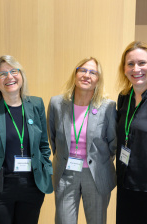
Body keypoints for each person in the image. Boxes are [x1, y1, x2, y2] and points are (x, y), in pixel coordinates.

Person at [0, 55, 53, 224]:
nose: (9, 77)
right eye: (2, 74)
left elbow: (44, 144)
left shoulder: (36, 105)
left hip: (32, 185)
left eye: (14, 71)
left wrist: (47, 170)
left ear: (21, 75)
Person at [47, 57, 117, 224]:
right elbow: (52, 138)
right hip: (65, 173)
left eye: (93, 72)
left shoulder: (107, 106)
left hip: (96, 175)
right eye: (83, 70)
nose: (87, 75)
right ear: (75, 73)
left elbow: (113, 143)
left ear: (98, 79)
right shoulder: (57, 103)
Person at [116, 41, 147, 224]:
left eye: (142, 63)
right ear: (124, 69)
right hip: (125, 182)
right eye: (130, 64)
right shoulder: (123, 98)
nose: (136, 69)